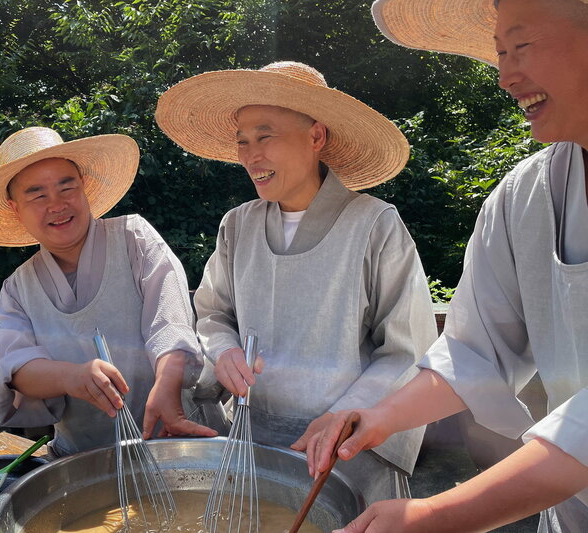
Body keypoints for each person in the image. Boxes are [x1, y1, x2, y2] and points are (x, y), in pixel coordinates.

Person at [303, 1, 588, 531]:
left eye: (522, 47)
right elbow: (473, 347)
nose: (505, 75)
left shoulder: (375, 222)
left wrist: (436, 514)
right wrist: (379, 417)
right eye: (500, 52)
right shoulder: (524, 195)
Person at [155, 61, 439, 505]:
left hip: (349, 444)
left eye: (265, 136)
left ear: (316, 136)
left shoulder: (374, 224)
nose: (251, 156)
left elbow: (407, 349)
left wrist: (348, 414)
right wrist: (224, 348)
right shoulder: (237, 225)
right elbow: (212, 312)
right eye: (243, 142)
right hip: (253, 438)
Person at [0, 126, 216, 457]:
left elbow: (169, 321)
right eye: (37, 194)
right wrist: (73, 377)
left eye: (66, 186)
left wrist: (168, 384)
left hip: (173, 440)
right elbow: (18, 367)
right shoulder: (18, 288)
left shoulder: (135, 238)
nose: (56, 205)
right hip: (81, 457)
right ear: (16, 208)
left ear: (83, 188)